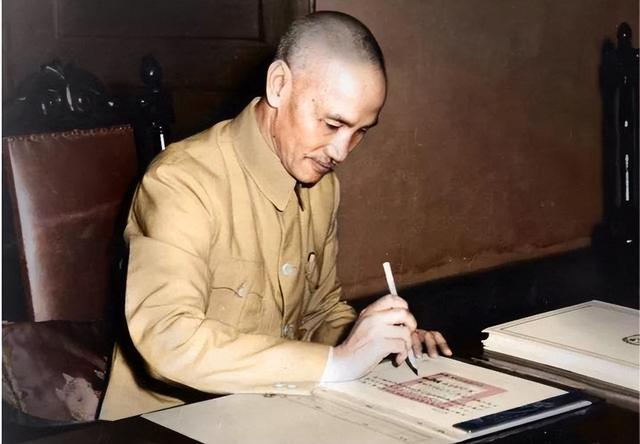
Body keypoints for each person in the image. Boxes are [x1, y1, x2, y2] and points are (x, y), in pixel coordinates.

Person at [100, 11, 451, 421]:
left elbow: (319, 311)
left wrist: (379, 342)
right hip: (167, 424)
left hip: (265, 414)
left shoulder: (321, 186)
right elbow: (169, 339)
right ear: (279, 85)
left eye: (360, 131)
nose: (341, 151)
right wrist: (337, 362)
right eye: (332, 123)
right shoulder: (182, 181)